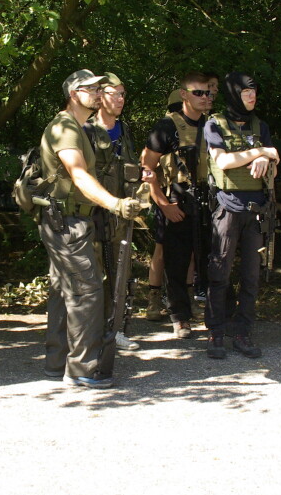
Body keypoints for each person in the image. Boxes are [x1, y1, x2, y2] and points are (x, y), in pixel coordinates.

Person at [39, 70, 144, 389]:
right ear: (74, 93)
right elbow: (79, 175)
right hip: (67, 221)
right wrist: (114, 204)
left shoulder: (79, 127)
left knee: (62, 289)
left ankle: (56, 362)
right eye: (92, 88)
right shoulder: (65, 127)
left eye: (102, 87)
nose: (99, 92)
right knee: (87, 290)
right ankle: (82, 368)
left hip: (70, 219)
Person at [204, 72, 280, 359]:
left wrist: (264, 156)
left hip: (257, 210)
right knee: (219, 272)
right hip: (228, 208)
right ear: (234, 94)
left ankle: (242, 333)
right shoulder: (215, 125)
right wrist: (260, 151)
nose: (252, 97)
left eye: (255, 92)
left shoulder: (260, 125)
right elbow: (223, 161)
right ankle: (215, 332)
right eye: (247, 92)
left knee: (251, 277)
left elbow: (276, 157)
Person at [142, 73, 215, 339]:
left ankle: (214, 318)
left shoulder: (213, 126)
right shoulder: (166, 127)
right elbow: (147, 169)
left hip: (209, 203)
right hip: (178, 201)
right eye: (199, 93)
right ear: (184, 95)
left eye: (209, 93)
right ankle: (180, 318)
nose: (206, 98)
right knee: (175, 263)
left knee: (209, 261)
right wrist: (163, 205)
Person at [89, 72, 143, 350]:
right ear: (100, 96)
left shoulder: (125, 130)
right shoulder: (85, 130)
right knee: (93, 275)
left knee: (121, 273)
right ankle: (91, 332)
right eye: (115, 93)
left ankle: (116, 329)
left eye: (123, 94)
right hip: (92, 215)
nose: (121, 99)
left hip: (121, 215)